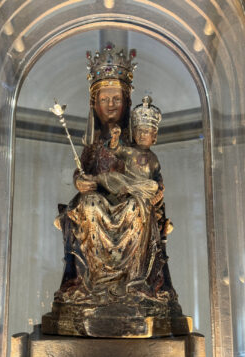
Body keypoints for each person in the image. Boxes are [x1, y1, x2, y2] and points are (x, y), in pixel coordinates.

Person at [46, 45, 184, 337]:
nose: (110, 105)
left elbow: (151, 176)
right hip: (96, 201)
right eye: (104, 99)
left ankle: (133, 284)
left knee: (137, 209)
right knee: (90, 206)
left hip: (133, 204)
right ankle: (95, 285)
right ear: (93, 103)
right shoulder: (93, 144)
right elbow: (82, 171)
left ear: (126, 101)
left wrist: (154, 192)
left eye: (116, 99)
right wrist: (80, 182)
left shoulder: (138, 145)